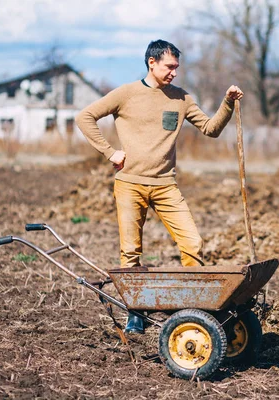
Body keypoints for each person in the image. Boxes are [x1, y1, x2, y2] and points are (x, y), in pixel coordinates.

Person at [75, 39, 243, 333]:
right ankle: (135, 312)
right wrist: (109, 151)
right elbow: (85, 116)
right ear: (152, 63)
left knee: (192, 243)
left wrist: (227, 102)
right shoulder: (126, 94)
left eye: (177, 67)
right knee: (131, 253)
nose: (174, 73)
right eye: (169, 66)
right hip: (130, 184)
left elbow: (211, 129)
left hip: (166, 185)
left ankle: (194, 306)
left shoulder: (182, 98)